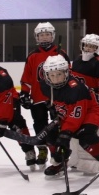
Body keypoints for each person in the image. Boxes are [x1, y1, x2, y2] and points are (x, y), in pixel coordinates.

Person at [28, 56, 99, 178]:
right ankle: (60, 162)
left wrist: (66, 133)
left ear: (66, 72)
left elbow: (77, 115)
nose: (55, 79)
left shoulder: (76, 88)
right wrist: (55, 109)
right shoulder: (45, 85)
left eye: (59, 74)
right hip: (69, 113)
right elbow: (57, 101)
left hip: (90, 113)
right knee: (51, 135)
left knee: (86, 138)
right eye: (52, 75)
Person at [20, 22, 69, 169]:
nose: (44, 37)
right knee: (39, 125)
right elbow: (27, 77)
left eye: (47, 34)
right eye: (41, 35)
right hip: (38, 97)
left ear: (52, 35)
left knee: (55, 126)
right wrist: (24, 93)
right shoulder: (33, 55)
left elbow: (68, 74)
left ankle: (56, 151)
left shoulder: (61, 53)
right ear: (37, 37)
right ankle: (42, 149)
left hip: (56, 97)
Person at [69, 34, 99, 175]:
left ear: (98, 49)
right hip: (78, 105)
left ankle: (90, 164)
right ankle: (74, 160)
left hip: (92, 108)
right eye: (86, 45)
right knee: (73, 134)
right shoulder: (77, 62)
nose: (88, 48)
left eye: (92, 46)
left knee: (89, 134)